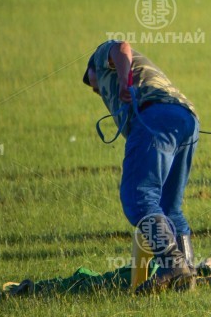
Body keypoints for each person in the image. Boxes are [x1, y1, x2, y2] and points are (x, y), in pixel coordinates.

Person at [83, 40, 200, 291]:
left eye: (94, 86)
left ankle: (172, 265)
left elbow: (121, 47)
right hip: (186, 118)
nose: (97, 91)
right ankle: (187, 275)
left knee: (138, 197)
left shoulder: (100, 58)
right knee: (169, 206)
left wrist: (123, 81)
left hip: (154, 117)